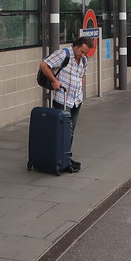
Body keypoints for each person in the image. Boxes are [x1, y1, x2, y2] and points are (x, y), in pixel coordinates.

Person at [39, 36, 95, 173]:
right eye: (81, 51)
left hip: (76, 99)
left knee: (70, 131)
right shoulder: (63, 54)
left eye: (85, 53)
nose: (83, 55)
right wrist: (54, 81)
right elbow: (44, 65)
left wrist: (81, 90)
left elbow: (82, 75)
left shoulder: (83, 60)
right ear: (76, 46)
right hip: (63, 99)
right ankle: (61, 159)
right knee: (65, 130)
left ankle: (65, 157)